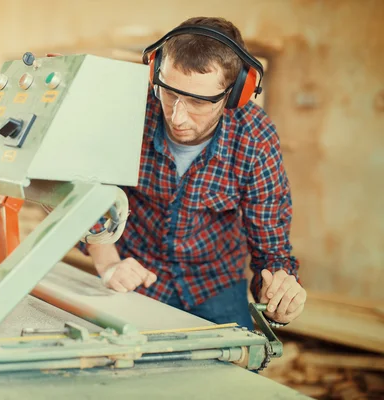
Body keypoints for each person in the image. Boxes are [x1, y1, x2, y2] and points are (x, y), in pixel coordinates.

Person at [77, 17, 306, 330]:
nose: (177, 116)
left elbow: (271, 249)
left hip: (216, 283)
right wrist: (109, 265)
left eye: (198, 101)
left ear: (235, 92)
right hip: (136, 273)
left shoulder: (255, 137)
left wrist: (280, 292)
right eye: (170, 93)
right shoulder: (129, 112)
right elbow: (88, 193)